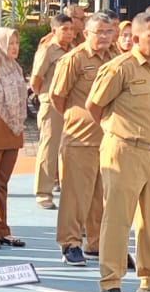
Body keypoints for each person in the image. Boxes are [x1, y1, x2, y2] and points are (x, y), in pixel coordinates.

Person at [86, 11, 150, 292]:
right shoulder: (120, 68)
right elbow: (94, 105)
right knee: (118, 219)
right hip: (124, 151)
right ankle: (110, 282)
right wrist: (113, 130)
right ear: (136, 38)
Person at [50, 14, 118, 266]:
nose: (103, 37)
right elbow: (58, 97)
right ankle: (70, 243)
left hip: (109, 136)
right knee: (76, 195)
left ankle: (96, 243)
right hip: (81, 136)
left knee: (102, 195)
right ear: (86, 34)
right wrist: (77, 117)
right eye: (98, 32)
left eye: (108, 32)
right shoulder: (74, 59)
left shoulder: (115, 58)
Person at [0, 26, 27, 250]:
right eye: (9, 43)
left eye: (16, 43)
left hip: (12, 133)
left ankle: (2, 229)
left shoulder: (15, 68)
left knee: (2, 184)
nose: (14, 48)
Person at [30, 13, 78, 210]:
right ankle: (43, 192)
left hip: (70, 104)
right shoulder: (47, 51)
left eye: (71, 29)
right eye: (64, 29)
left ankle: (66, 189)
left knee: (67, 149)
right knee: (49, 148)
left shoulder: (74, 50)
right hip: (51, 103)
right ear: (54, 31)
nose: (68, 33)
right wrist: (45, 96)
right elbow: (36, 79)